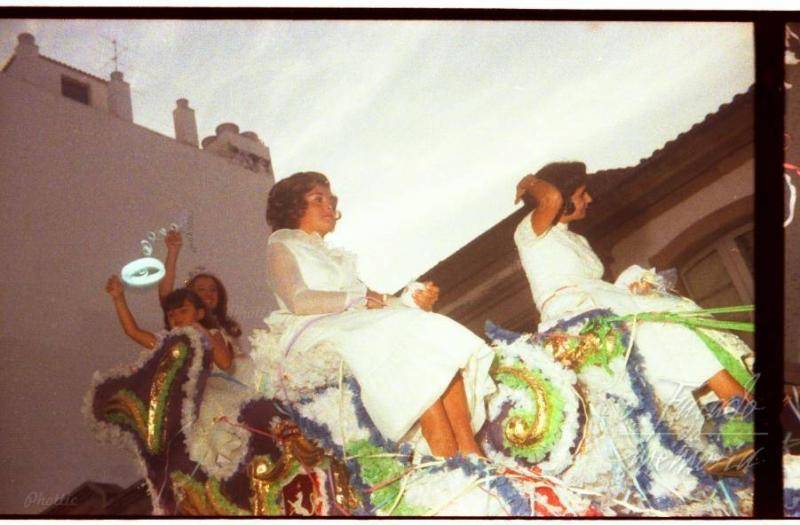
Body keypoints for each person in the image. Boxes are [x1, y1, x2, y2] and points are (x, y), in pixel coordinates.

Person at [259, 171, 496, 458]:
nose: (329, 206)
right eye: (317, 199)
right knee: (399, 333)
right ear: (293, 206)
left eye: (331, 200)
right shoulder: (281, 243)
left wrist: (411, 298)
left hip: (352, 321)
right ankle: (442, 449)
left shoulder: (334, 256)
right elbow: (298, 300)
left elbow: (376, 301)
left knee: (426, 326)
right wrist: (358, 299)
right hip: (313, 329)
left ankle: (469, 449)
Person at [513, 161, 750, 414]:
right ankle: (737, 400)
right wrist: (529, 182)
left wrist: (630, 288)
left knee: (674, 317)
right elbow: (551, 197)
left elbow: (595, 285)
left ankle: (731, 399)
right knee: (665, 327)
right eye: (581, 194)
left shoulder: (577, 238)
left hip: (601, 303)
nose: (589, 199)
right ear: (564, 200)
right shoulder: (529, 232)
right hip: (572, 314)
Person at [105, 274, 232, 370]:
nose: (177, 317)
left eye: (183, 311)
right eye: (171, 314)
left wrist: (201, 331)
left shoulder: (212, 334)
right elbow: (133, 331)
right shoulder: (167, 341)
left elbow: (225, 363)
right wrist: (119, 298)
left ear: (199, 314)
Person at [159, 230, 243, 357]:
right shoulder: (185, 326)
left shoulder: (226, 327)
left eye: (213, 290)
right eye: (201, 290)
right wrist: (173, 252)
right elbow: (165, 296)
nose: (208, 295)